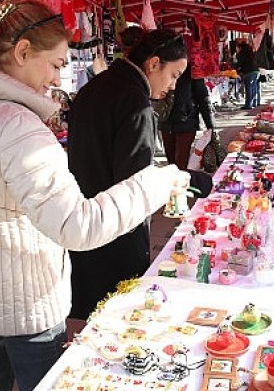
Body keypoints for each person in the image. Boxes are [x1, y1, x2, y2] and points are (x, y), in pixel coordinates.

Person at [0, 0, 189, 391]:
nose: (57, 79)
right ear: (22, 52)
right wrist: (156, 183)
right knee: (42, 382)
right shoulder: (16, 127)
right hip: (23, 297)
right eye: (56, 65)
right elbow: (76, 226)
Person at [66, 29, 188, 338]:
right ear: (154, 64)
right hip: (117, 223)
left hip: (84, 209)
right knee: (117, 310)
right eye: (174, 75)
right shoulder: (135, 102)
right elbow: (134, 179)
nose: (173, 85)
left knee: (88, 302)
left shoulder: (98, 86)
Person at [159, 63, 216, 169]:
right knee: (171, 162)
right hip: (166, 120)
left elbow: (203, 98)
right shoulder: (162, 68)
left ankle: (185, 183)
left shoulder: (192, 70)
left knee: (182, 161)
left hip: (187, 120)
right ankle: (175, 184)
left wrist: (211, 126)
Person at [235, 40, 259, 109]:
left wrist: (235, 67)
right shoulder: (251, 52)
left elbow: (240, 63)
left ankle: (248, 105)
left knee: (248, 89)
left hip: (249, 72)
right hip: (256, 71)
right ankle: (254, 103)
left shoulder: (242, 53)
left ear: (240, 47)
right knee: (254, 87)